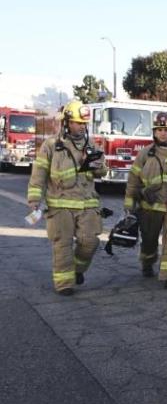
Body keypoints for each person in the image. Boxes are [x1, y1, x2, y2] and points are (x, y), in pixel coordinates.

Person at [27, 100, 108, 296]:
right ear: (67, 122)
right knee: (62, 244)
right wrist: (34, 199)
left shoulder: (92, 146)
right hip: (59, 205)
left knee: (89, 242)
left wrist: (98, 166)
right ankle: (64, 284)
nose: (81, 127)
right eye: (78, 123)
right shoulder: (51, 146)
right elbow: (39, 173)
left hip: (88, 204)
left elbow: (103, 170)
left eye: (84, 124)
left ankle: (77, 270)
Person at [124, 111, 167, 291]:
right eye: (159, 129)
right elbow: (133, 180)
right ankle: (147, 262)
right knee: (149, 241)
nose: (163, 133)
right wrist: (129, 204)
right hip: (149, 206)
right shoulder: (145, 154)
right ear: (154, 132)